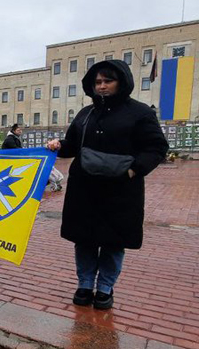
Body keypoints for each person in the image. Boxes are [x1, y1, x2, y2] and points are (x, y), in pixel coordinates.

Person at [46, 60, 168, 310]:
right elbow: (71, 145)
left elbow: (156, 147)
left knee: (113, 241)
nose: (101, 86)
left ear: (121, 82)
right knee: (85, 239)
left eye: (107, 81)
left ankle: (105, 288)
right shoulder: (85, 114)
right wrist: (58, 146)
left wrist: (134, 170)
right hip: (85, 190)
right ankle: (85, 284)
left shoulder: (140, 112)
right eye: (97, 82)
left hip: (121, 191)